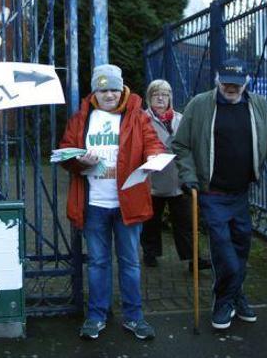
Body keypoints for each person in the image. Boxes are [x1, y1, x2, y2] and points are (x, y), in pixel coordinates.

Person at [173, 57, 267, 330]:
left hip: (241, 193)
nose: (230, 89)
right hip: (212, 193)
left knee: (241, 247)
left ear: (247, 82)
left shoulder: (257, 105)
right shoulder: (199, 105)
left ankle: (235, 295)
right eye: (225, 83)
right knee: (224, 252)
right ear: (217, 81)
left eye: (236, 84)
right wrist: (188, 176)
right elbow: (181, 145)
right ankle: (224, 301)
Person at [59, 64, 163, 341]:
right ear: (95, 90)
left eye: (114, 89)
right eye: (104, 89)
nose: (110, 95)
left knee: (130, 263)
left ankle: (134, 317)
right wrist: (76, 160)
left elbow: (153, 143)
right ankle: (96, 316)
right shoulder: (81, 118)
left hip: (127, 202)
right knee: (98, 263)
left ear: (122, 89)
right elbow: (65, 151)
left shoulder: (137, 116)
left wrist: (153, 158)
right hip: (93, 204)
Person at [139, 79, 211, 272]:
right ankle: (150, 252)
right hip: (152, 179)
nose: (161, 98)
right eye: (156, 94)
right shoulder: (141, 119)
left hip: (179, 179)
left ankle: (193, 260)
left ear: (170, 97)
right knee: (151, 221)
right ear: (149, 98)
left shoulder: (181, 118)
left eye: (165, 94)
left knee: (186, 221)